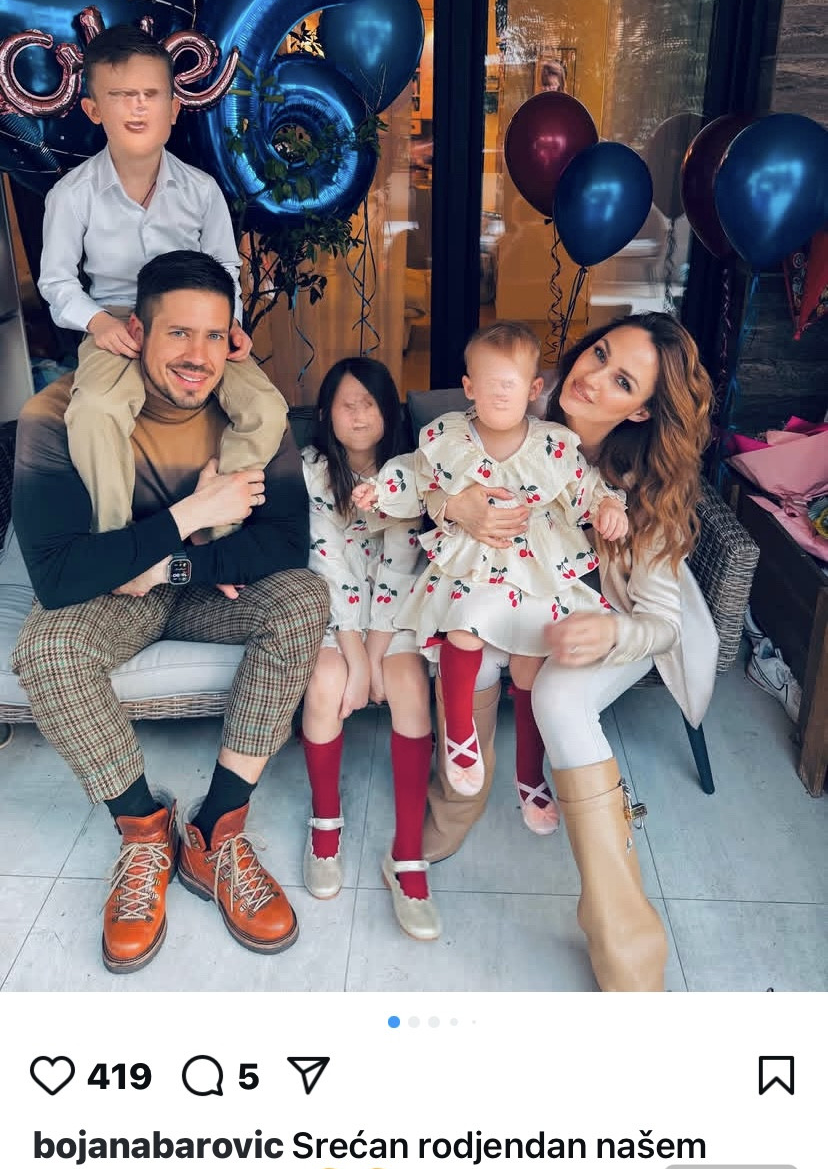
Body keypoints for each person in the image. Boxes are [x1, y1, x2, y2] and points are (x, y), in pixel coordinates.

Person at [11, 250, 329, 974]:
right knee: (47, 649)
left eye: (215, 335)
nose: (198, 356)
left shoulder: (252, 414)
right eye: (179, 333)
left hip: (194, 589)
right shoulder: (54, 418)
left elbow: (285, 545)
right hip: (112, 601)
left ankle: (216, 832)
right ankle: (144, 834)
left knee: (302, 601)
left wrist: (172, 564)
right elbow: (60, 576)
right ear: (136, 333)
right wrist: (193, 513)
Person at [421, 313, 716, 992]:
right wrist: (457, 507)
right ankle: (458, 803)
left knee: (557, 696)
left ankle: (620, 929)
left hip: (619, 616)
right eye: (600, 353)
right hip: (516, 591)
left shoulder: (646, 481)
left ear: (641, 410)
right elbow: (430, 476)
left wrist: (610, 633)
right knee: (471, 645)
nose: (593, 377)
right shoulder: (520, 402)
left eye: (622, 382)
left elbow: (661, 622)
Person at [353, 321, 627, 831]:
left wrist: (609, 506)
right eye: (489, 382)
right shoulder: (448, 437)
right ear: (469, 387)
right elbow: (416, 472)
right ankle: (459, 733)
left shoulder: (552, 443)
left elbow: (585, 486)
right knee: (465, 621)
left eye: (511, 383)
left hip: (535, 563)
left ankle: (529, 775)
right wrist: (381, 489)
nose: (500, 393)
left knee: (531, 667)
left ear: (534, 388)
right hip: (474, 559)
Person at [38, 23, 287, 540]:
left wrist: (230, 324)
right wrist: (98, 323)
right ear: (93, 110)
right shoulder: (72, 194)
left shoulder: (201, 191)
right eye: (120, 95)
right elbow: (56, 282)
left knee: (266, 408)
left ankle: (215, 522)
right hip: (118, 326)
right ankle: (118, 541)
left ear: (174, 108)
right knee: (95, 411)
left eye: (151, 95)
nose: (137, 107)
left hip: (195, 324)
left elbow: (226, 268)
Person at [300, 359, 439, 940]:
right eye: (346, 404)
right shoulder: (313, 470)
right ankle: (325, 824)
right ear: (327, 413)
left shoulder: (410, 473)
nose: (359, 415)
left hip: (396, 610)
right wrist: (357, 661)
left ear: (389, 412)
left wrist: (379, 656)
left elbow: (402, 566)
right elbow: (329, 565)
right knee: (325, 684)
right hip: (335, 612)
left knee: (408, 688)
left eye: (370, 403)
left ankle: (407, 855)